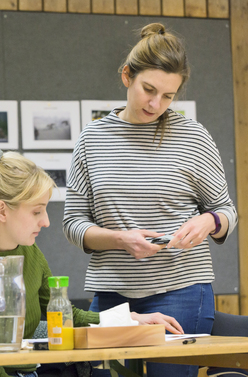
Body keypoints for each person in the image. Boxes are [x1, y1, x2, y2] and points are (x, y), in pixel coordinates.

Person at [63, 22, 238, 377]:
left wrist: (209, 221)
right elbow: (73, 223)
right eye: (149, 89)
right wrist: (119, 239)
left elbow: (226, 211)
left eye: (169, 96)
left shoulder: (192, 136)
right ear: (127, 76)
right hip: (113, 294)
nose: (156, 103)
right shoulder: (92, 139)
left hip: (182, 289)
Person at [0, 142, 182, 377]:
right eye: (36, 211)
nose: (46, 221)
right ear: (2, 211)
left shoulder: (29, 254)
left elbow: (64, 314)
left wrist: (130, 319)